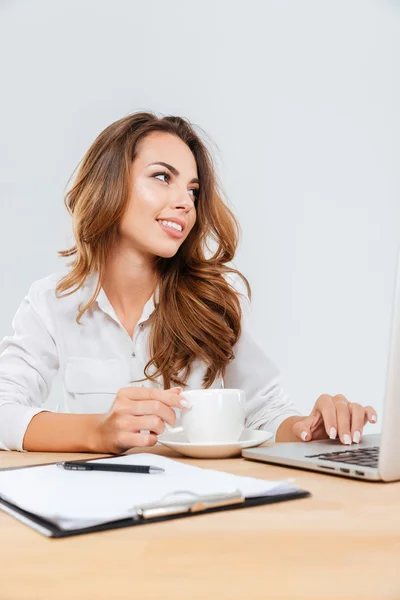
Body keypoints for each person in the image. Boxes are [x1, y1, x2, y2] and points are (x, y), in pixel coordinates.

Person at [0, 111, 377, 453]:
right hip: (97, 518)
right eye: (162, 177)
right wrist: (96, 432)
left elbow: (266, 412)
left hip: (202, 513)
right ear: (109, 184)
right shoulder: (52, 302)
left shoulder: (212, 302)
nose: (185, 202)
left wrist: (312, 430)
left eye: (193, 191)